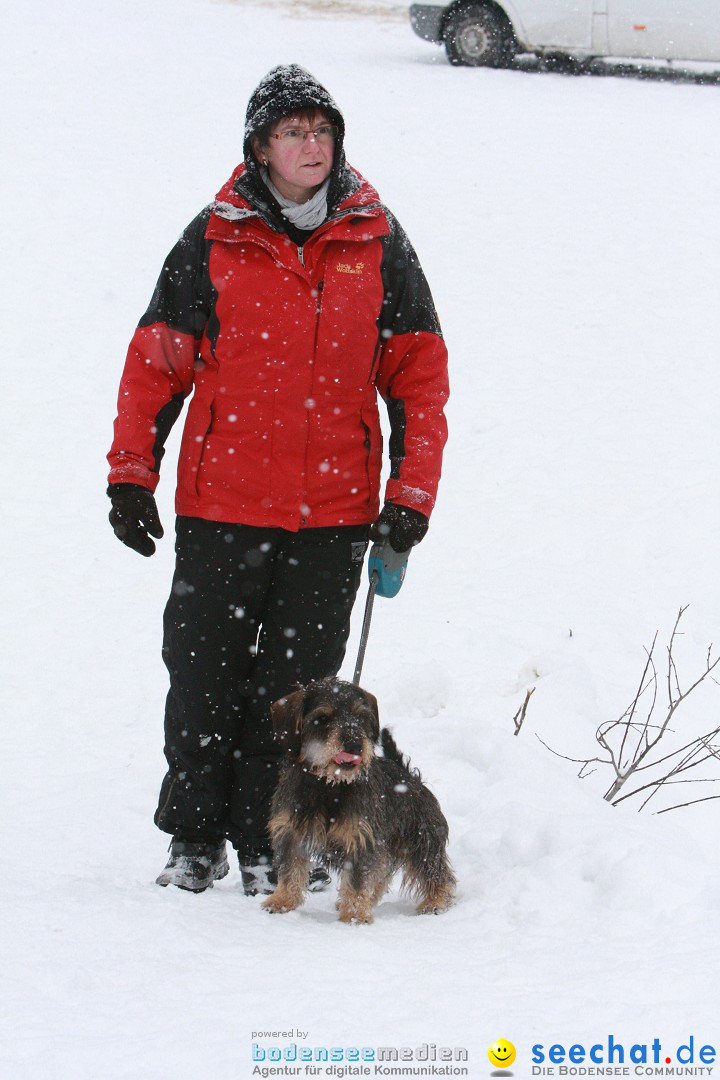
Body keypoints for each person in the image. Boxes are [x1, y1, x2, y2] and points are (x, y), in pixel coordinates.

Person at [107, 64, 449, 896]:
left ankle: (272, 843)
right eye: (293, 132)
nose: (311, 146)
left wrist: (408, 501)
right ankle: (193, 840)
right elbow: (158, 360)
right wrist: (130, 474)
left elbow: (419, 378)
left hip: (333, 517)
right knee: (201, 680)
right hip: (222, 506)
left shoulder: (376, 239)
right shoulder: (215, 237)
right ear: (259, 147)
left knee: (292, 699)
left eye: (322, 132)